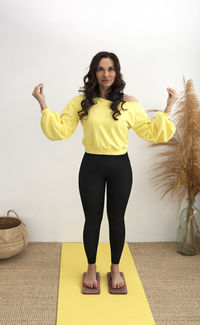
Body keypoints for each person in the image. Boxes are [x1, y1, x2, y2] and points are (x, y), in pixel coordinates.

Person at [32, 51, 178, 290]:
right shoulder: (81, 102)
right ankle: (91, 268)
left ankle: (115, 269)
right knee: (92, 220)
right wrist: (43, 103)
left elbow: (151, 132)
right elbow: (59, 130)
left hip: (120, 167)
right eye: (101, 69)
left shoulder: (129, 102)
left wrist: (169, 106)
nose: (106, 74)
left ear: (117, 72)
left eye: (111, 69)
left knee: (116, 219)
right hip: (91, 167)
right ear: (94, 72)